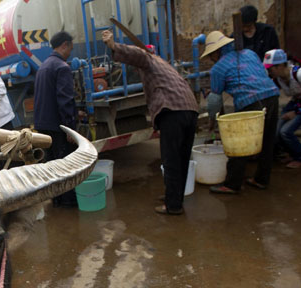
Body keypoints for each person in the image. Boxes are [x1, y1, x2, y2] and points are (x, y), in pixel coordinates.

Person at [102, 30, 199, 215]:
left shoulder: (148, 59)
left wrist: (114, 46)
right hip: (190, 109)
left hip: (172, 111)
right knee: (181, 159)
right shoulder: (165, 65)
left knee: (171, 160)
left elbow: (138, 55)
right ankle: (174, 197)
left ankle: (173, 206)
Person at [202, 31, 279, 193]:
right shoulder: (250, 54)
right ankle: (261, 179)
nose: (211, 59)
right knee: (267, 141)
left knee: (238, 141)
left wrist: (211, 120)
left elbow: (214, 100)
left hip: (251, 102)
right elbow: (262, 74)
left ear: (217, 51)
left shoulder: (218, 68)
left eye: (211, 56)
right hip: (272, 96)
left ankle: (231, 184)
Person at [33, 31, 81, 208]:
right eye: (70, 48)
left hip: (43, 126)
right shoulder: (62, 67)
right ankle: (68, 203)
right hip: (58, 127)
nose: (71, 53)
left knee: (52, 166)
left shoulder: (44, 66)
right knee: (65, 166)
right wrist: (70, 128)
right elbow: (65, 100)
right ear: (64, 45)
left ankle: (57, 201)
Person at [264, 49, 301, 168]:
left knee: (286, 131)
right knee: (277, 130)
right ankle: (292, 153)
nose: (269, 71)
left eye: (271, 68)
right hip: (296, 101)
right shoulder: (278, 79)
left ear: (280, 66)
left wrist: (295, 113)